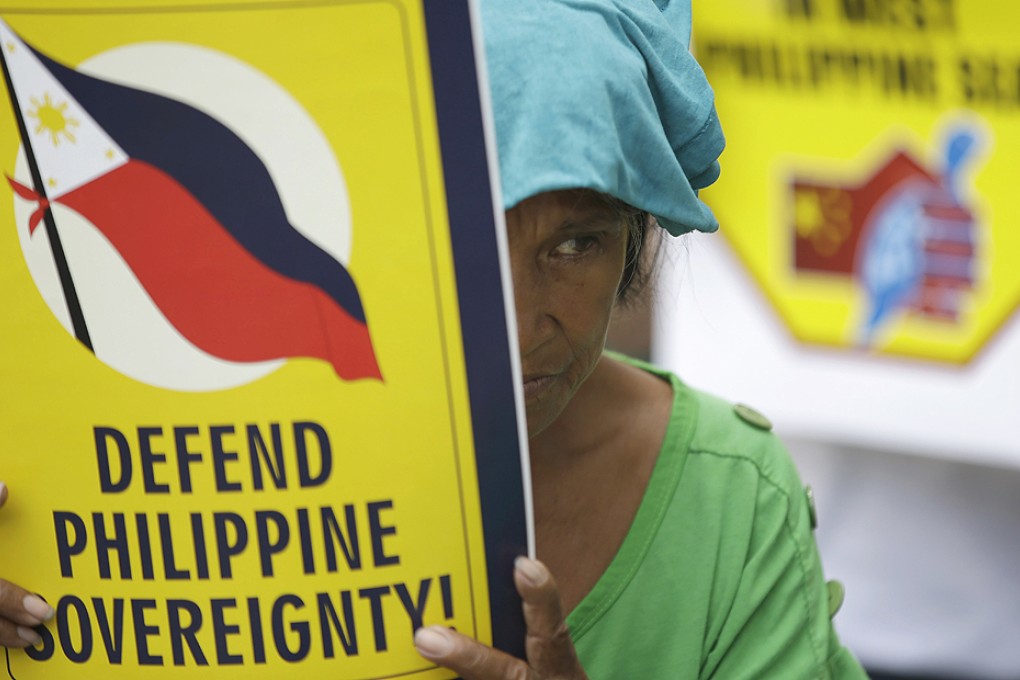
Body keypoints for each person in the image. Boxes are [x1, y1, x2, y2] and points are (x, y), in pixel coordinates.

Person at [0, 0, 868, 677]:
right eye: (457, 245)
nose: (522, 325)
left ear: (636, 242)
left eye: (577, 244)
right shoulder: (115, 469)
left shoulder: (728, 504)